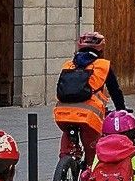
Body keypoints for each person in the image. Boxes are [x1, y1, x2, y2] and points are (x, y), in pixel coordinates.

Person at [52, 31, 127, 163]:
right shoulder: (103, 66)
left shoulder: (68, 65)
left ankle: (64, 166)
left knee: (68, 138)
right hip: (89, 116)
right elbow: (115, 91)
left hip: (63, 114)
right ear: (101, 49)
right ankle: (88, 176)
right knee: (91, 156)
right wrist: (122, 109)